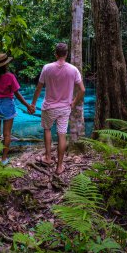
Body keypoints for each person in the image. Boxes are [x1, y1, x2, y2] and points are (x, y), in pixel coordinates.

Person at [31, 42, 85, 174]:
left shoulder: (47, 68)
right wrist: (73, 102)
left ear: (55, 54)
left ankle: (48, 157)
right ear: (66, 54)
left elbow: (39, 87)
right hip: (64, 108)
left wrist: (33, 104)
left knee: (47, 129)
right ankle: (59, 167)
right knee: (62, 135)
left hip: (48, 107)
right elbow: (82, 90)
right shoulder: (73, 70)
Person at [0, 53, 35, 165]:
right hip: (7, 104)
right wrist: (28, 105)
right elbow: (17, 94)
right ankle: (4, 159)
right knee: (7, 134)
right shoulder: (10, 77)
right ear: (6, 65)